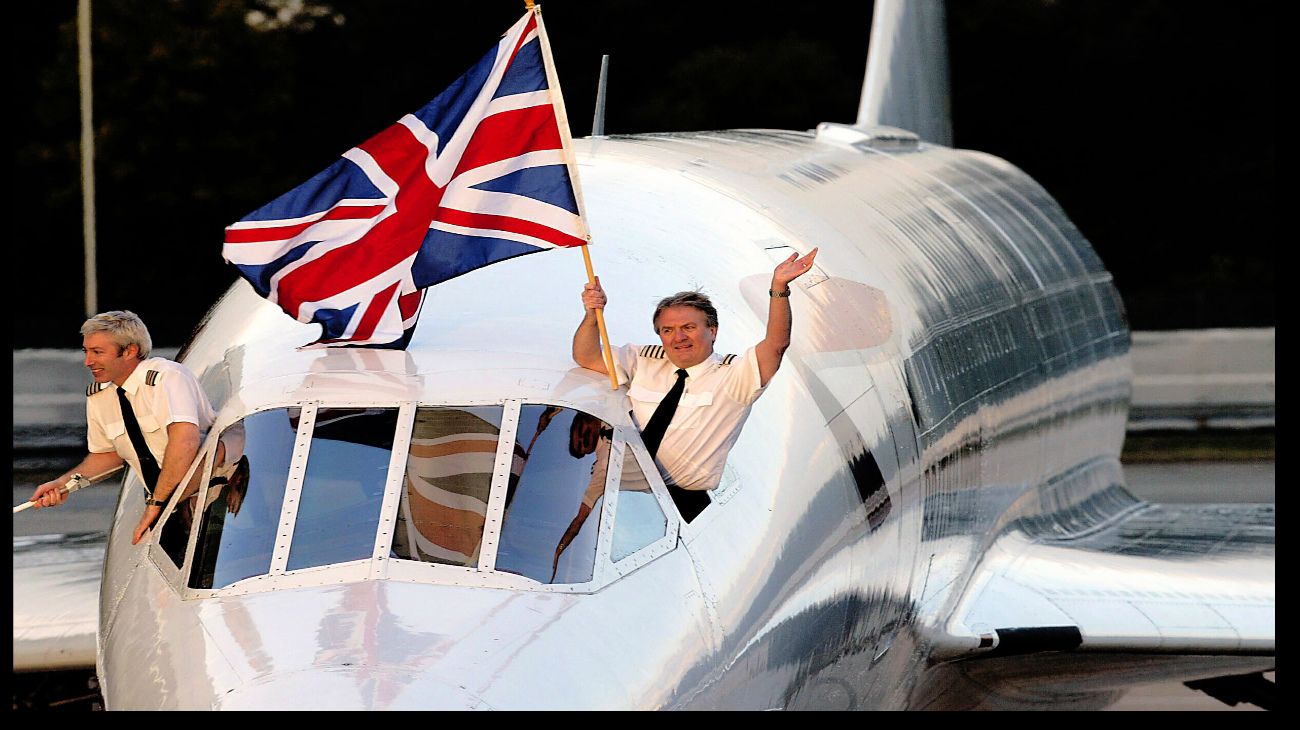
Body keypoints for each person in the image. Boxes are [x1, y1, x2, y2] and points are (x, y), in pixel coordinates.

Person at [572, 249, 819, 521]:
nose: (678, 338)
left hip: (680, 507)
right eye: (667, 331)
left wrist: (779, 289)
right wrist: (592, 316)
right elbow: (587, 357)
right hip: (622, 498)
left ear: (712, 331)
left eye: (688, 327)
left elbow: (776, 345)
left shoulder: (734, 377)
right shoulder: (643, 361)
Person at [30, 310, 215, 545]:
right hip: (170, 504)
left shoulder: (167, 378)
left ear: (130, 351)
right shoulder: (100, 396)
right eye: (86, 351)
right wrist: (63, 485)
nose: (88, 362)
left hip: (211, 496)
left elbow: (185, 442)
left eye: (98, 352)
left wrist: (156, 504)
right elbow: (108, 455)